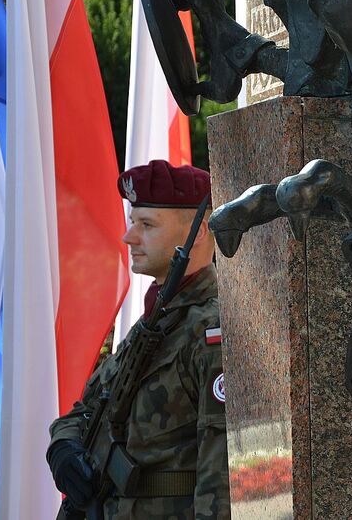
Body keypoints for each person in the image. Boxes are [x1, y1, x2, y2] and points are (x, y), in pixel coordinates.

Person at [47, 160, 230, 519]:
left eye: (147, 225)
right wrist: (63, 446)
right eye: (133, 222)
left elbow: (221, 474)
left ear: (198, 232)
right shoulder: (153, 323)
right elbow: (89, 408)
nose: (129, 237)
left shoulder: (212, 330)